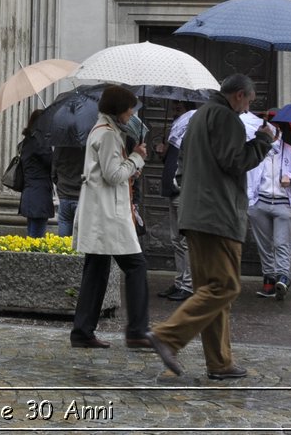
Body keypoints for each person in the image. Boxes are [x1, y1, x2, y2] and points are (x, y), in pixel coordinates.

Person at [146, 74, 275, 381]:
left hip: (196, 214)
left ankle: (219, 362)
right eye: (249, 101)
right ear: (240, 95)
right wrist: (264, 139)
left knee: (210, 290)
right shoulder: (226, 118)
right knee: (225, 286)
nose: (248, 109)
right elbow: (235, 161)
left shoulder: (200, 116)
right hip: (217, 215)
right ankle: (168, 336)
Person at [69, 86, 152, 349]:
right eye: (130, 108)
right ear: (119, 109)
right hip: (108, 217)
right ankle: (138, 330)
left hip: (102, 213)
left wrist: (131, 166)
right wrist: (137, 159)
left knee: (96, 272)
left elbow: (111, 173)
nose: (132, 113)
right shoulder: (107, 135)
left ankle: (83, 332)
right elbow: (113, 175)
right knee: (136, 266)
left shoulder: (106, 132)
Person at [247, 122, 291, 299]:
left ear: (279, 130)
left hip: (282, 203)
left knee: (281, 242)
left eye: (273, 128)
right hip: (259, 201)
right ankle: (269, 279)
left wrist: (290, 179)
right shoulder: (256, 148)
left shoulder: (290, 151)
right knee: (264, 244)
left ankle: (282, 277)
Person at [157, 106, 197, 301]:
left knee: (185, 240)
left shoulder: (193, 129)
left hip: (184, 191)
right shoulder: (176, 129)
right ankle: (180, 281)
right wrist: (162, 153)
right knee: (176, 240)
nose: (173, 109)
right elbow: (171, 161)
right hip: (172, 189)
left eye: (178, 107)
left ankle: (188, 285)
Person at [16, 109, 55, 237]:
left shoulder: (28, 141)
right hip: (39, 195)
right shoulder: (40, 142)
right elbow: (51, 162)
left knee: (32, 235)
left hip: (30, 194)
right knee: (37, 238)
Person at [53, 146, 84, 236]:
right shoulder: (86, 145)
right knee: (80, 232)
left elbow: (53, 171)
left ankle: (63, 249)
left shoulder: (60, 145)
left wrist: (60, 184)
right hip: (81, 194)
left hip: (64, 193)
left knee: (64, 223)